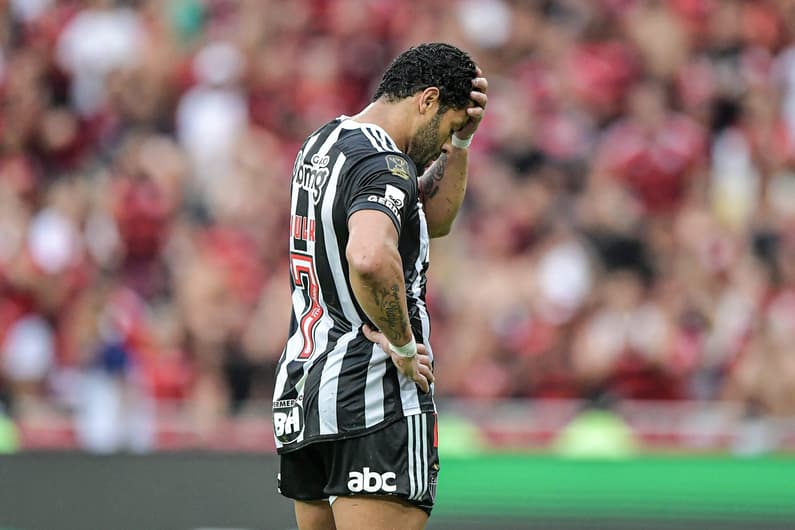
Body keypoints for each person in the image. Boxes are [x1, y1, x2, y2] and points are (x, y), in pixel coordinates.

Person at [272, 42, 488, 530]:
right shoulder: (385, 164)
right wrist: (403, 344)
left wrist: (460, 145)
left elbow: (433, 219)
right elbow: (369, 258)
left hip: (305, 396)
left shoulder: (322, 145)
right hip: (373, 396)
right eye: (450, 126)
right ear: (427, 100)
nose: (442, 142)